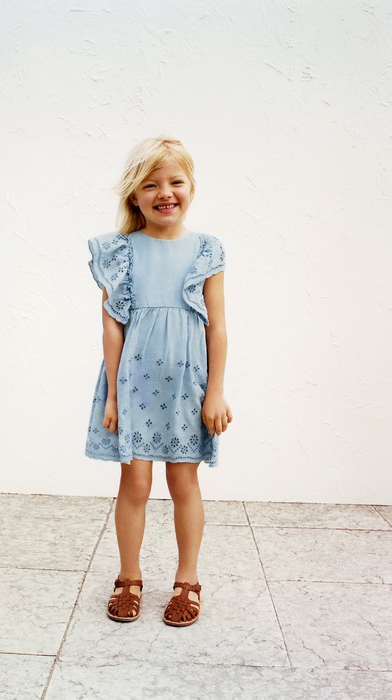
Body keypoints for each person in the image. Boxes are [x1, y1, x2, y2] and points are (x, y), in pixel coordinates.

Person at [85, 136, 233, 627]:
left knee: (184, 480)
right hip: (134, 384)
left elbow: (217, 327)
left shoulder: (206, 250)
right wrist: (112, 395)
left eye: (175, 181)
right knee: (135, 482)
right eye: (150, 185)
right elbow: (111, 327)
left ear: (191, 186)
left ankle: (187, 580)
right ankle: (129, 576)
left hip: (189, 386)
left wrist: (216, 392)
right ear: (134, 194)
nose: (164, 193)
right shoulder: (118, 251)